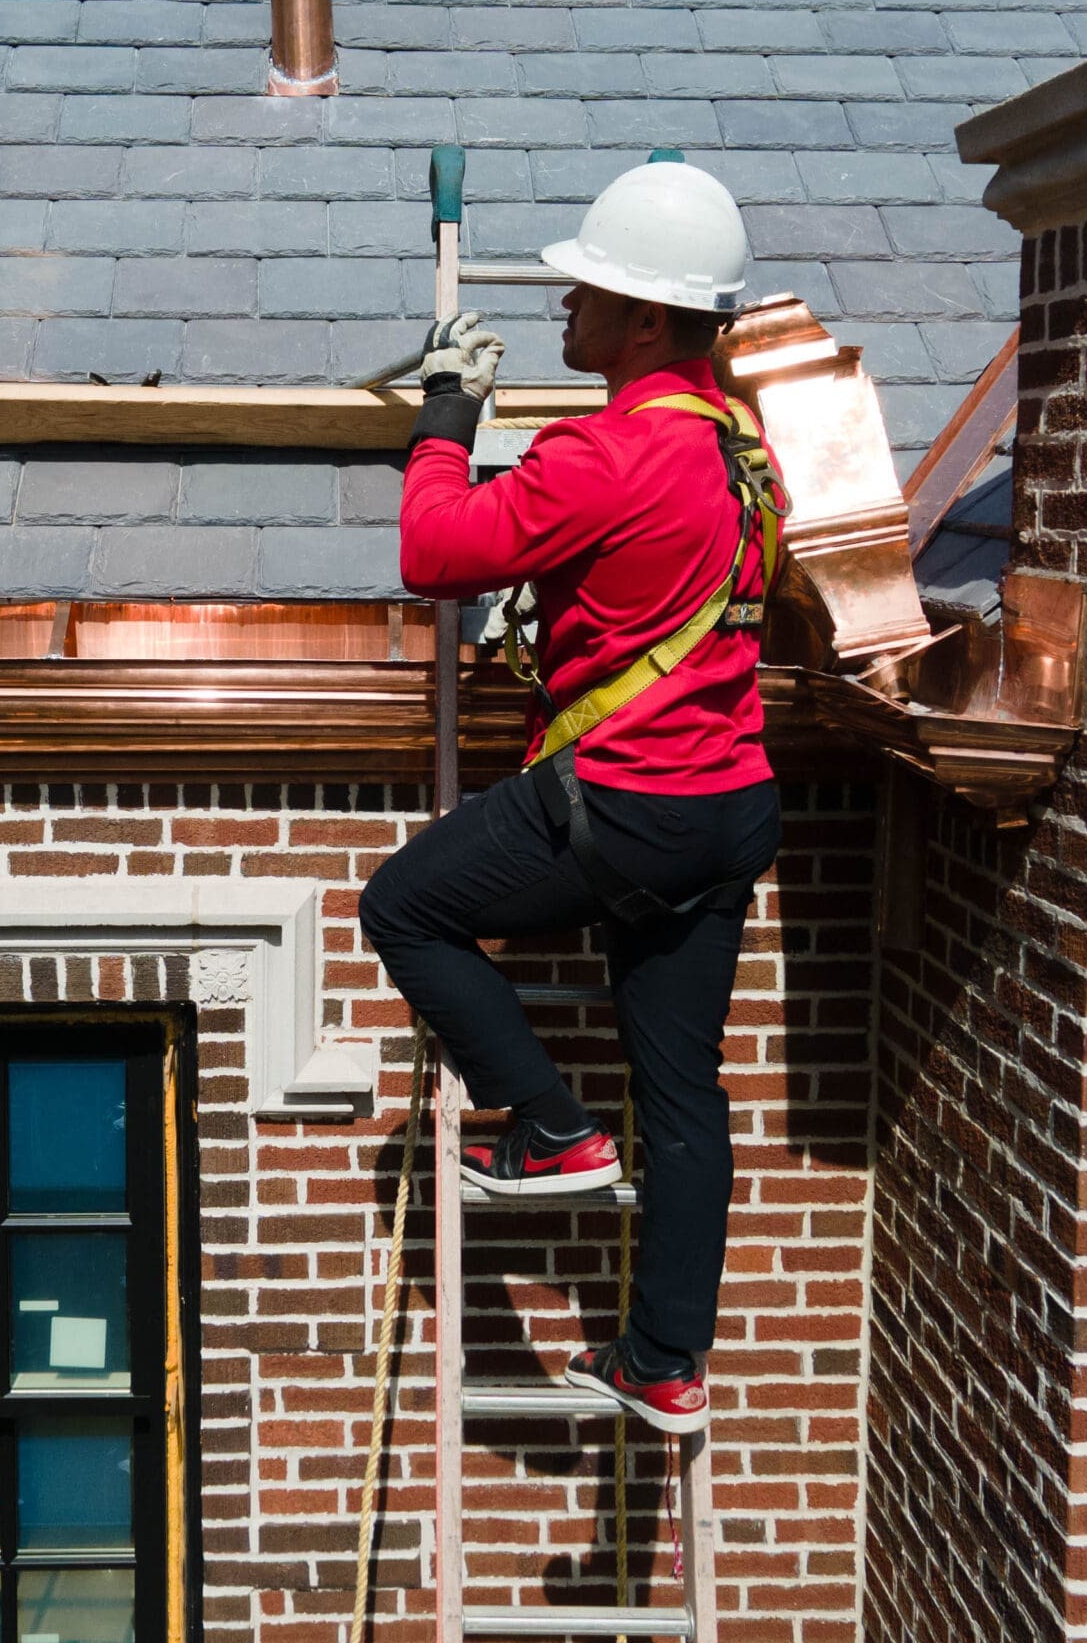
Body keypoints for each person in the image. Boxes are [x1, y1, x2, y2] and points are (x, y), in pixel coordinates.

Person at [358, 160, 784, 1437]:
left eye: (586, 293)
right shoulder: (744, 446)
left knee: (406, 909)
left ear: (646, 320)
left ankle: (548, 1126)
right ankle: (663, 1362)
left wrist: (447, 413)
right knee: (684, 1096)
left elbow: (435, 553)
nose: (565, 311)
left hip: (626, 799)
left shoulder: (608, 451)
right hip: (727, 805)